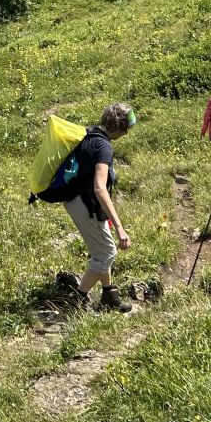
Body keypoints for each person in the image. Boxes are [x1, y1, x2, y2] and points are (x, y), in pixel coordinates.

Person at [55, 102, 136, 312]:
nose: (127, 133)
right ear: (119, 127)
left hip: (77, 200)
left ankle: (109, 295)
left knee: (101, 250)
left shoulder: (90, 134)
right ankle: (76, 301)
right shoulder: (103, 147)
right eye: (126, 128)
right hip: (86, 204)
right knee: (107, 253)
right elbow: (100, 188)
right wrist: (120, 227)